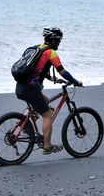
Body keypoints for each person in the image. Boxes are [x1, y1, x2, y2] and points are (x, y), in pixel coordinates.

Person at [15, 27, 83, 155]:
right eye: (58, 40)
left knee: (45, 99)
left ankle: (23, 124)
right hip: (31, 89)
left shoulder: (37, 48)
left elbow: (35, 69)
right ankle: (47, 146)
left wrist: (50, 77)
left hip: (20, 87)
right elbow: (63, 72)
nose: (59, 43)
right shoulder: (51, 53)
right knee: (47, 115)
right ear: (53, 40)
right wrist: (75, 81)